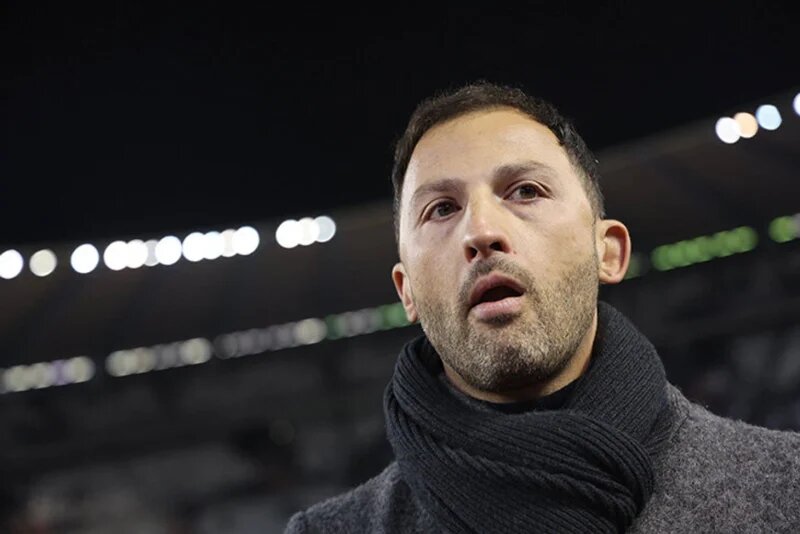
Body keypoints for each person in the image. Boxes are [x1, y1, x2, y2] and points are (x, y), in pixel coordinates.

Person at [284, 80, 800, 533]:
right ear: (407, 292)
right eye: (441, 209)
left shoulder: (783, 488)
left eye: (525, 191)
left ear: (607, 252)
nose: (481, 232)